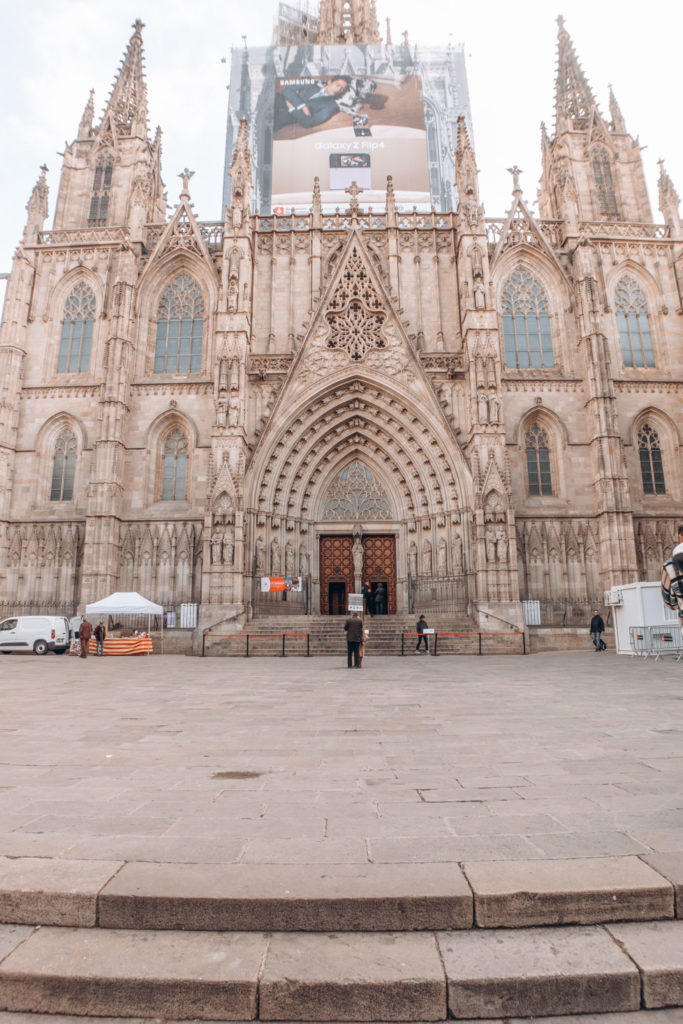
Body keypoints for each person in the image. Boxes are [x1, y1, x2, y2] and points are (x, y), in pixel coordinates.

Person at [274, 77, 352, 132]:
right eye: (337, 85)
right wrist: (302, 106)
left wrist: (292, 107)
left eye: (342, 89)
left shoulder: (331, 106)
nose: (338, 90)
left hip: (278, 120)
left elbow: (308, 123)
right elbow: (287, 90)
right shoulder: (312, 83)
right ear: (329, 82)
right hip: (273, 100)